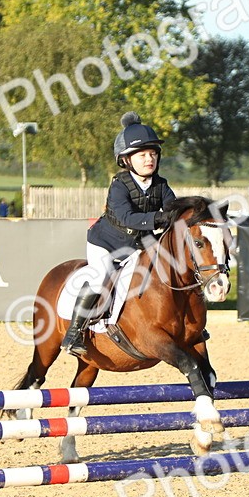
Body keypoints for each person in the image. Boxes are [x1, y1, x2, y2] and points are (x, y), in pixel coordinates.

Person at [60, 112, 176, 356]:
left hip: (140, 242)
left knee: (171, 267)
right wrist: (158, 218)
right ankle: (74, 332)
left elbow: (173, 210)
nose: (149, 159)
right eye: (143, 155)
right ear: (126, 160)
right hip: (106, 242)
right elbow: (127, 218)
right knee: (101, 275)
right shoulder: (119, 185)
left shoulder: (161, 185)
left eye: (153, 153)